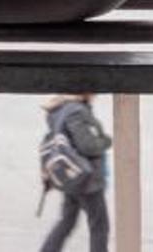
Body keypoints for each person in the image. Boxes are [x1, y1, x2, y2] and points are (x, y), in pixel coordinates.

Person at [37, 93, 111, 251]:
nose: (96, 95)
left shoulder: (61, 110)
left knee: (67, 221)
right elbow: (87, 146)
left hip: (72, 176)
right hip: (87, 179)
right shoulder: (76, 111)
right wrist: (105, 141)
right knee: (99, 225)